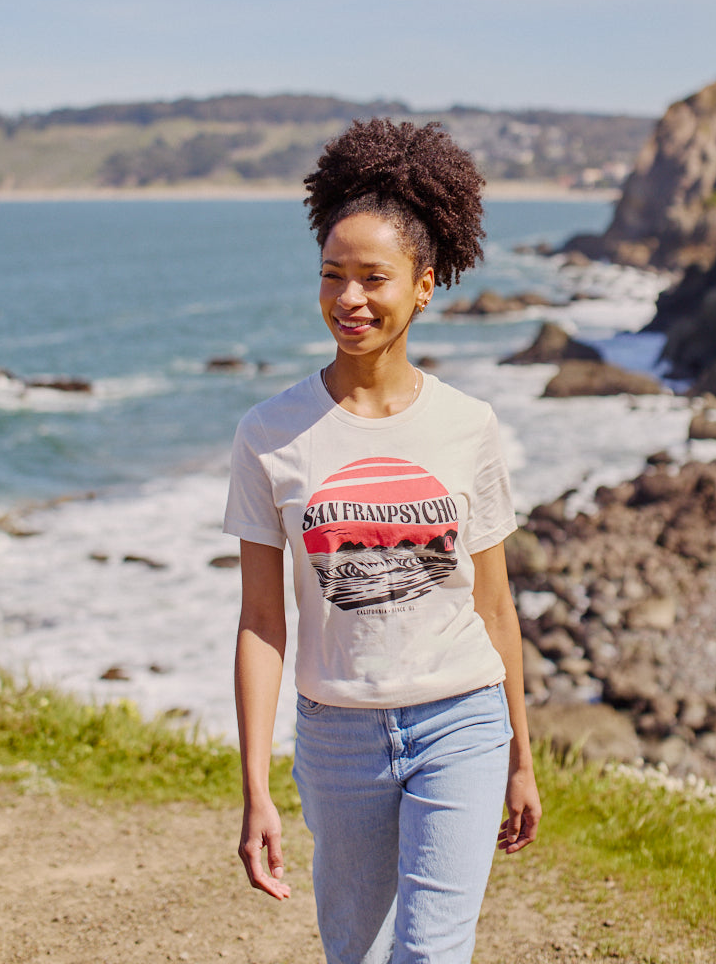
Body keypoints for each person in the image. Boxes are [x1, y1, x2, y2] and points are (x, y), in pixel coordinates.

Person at [224, 118, 541, 964]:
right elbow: (261, 621)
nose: (349, 300)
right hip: (337, 736)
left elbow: (493, 605)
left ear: (425, 286)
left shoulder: (468, 425)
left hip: (461, 719)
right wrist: (255, 789)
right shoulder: (269, 434)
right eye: (332, 276)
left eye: (374, 278)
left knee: (431, 954)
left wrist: (520, 755)